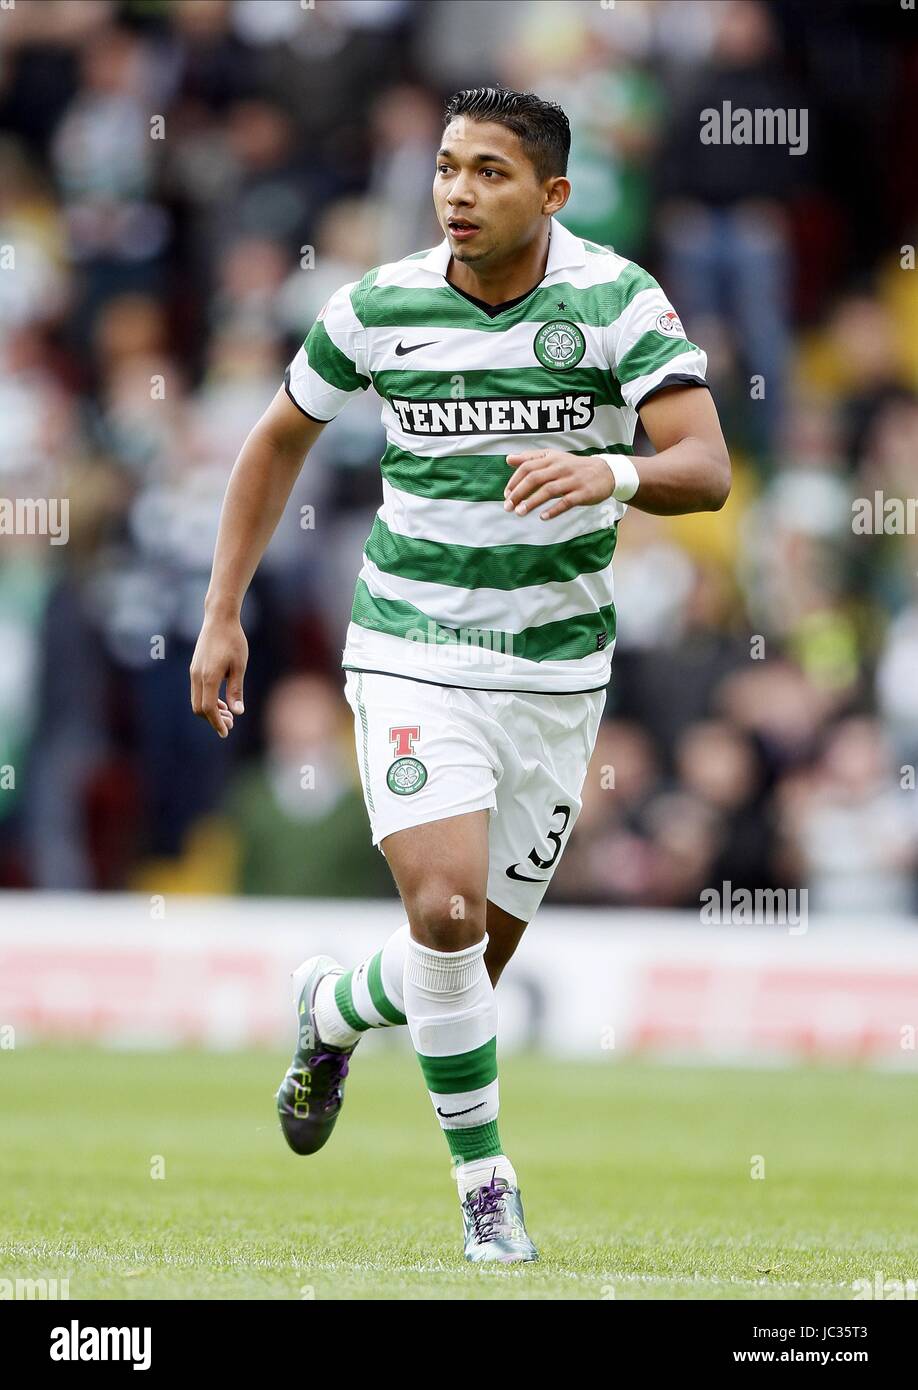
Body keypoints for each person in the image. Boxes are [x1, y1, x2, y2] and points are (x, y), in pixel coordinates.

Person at [190, 87, 731, 1264]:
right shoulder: (376, 306)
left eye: (489, 172)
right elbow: (275, 438)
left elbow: (706, 464)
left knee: (464, 964)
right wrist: (221, 609)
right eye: (446, 168)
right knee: (439, 915)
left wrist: (614, 475)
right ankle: (489, 1193)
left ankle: (331, 1008)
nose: (458, 192)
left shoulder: (614, 300)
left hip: (555, 676)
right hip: (413, 648)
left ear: (552, 194)